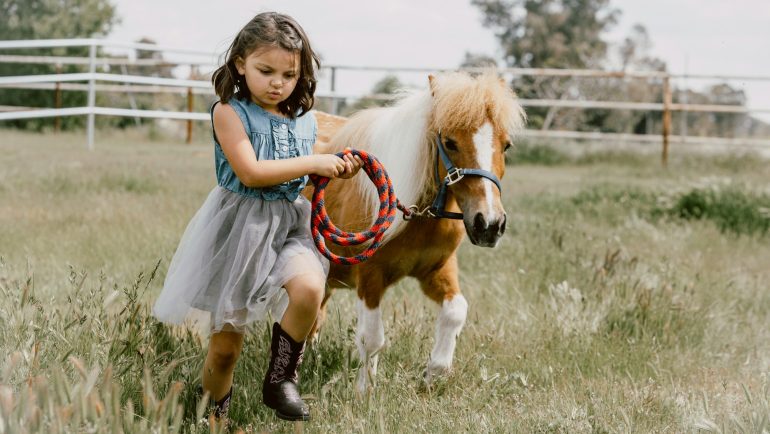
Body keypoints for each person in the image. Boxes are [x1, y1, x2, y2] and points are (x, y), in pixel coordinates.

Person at [152, 12, 362, 422]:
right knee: (226, 347)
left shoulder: (305, 120)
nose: (277, 83)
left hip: (289, 225)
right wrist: (313, 159)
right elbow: (251, 172)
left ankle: (281, 378)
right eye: (266, 71)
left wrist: (333, 167)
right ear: (240, 65)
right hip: (242, 229)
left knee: (309, 291)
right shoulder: (229, 113)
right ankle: (214, 416)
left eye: (288, 74)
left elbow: (300, 176)